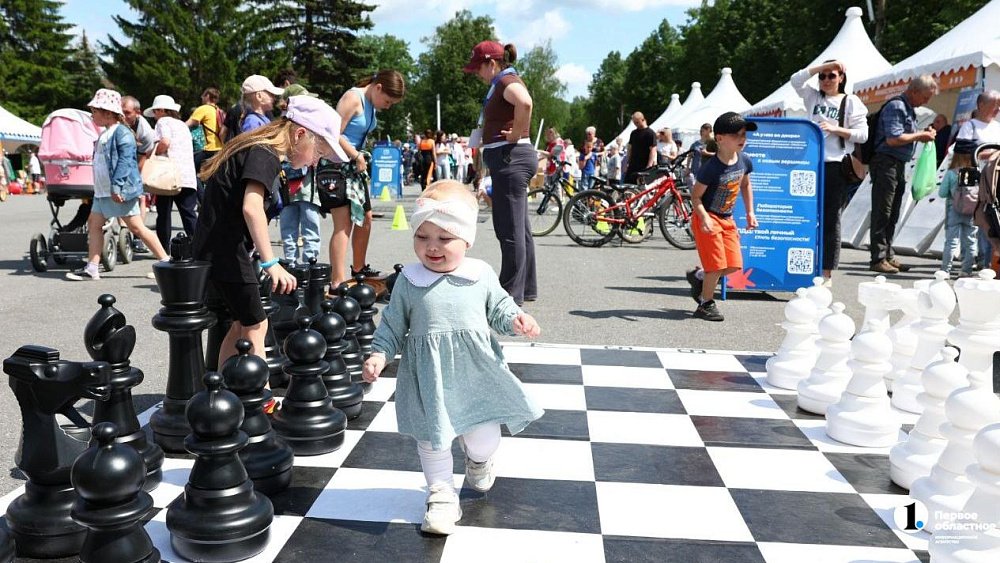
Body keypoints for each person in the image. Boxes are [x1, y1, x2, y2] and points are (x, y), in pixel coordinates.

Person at [361, 180, 543, 536]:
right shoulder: (409, 281)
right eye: (422, 237)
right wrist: (380, 354)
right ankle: (441, 495)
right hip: (427, 376)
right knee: (432, 438)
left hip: (475, 374)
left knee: (482, 437)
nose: (432, 248)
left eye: (444, 239)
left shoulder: (480, 275)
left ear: (466, 239)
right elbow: (393, 325)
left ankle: (479, 459)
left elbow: (500, 308)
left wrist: (516, 319)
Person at [192, 95, 348, 368]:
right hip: (229, 252)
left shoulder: (258, 149)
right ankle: (258, 399)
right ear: (300, 134)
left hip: (219, 249)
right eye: (319, 152)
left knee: (241, 323)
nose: (315, 162)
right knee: (257, 325)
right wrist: (271, 262)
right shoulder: (265, 154)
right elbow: (251, 207)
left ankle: (224, 389)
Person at [463, 40, 537, 305]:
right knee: (519, 228)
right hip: (510, 158)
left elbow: (525, 103)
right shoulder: (503, 82)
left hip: (511, 158)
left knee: (509, 228)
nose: (477, 75)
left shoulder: (506, 82)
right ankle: (525, 287)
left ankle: (509, 294)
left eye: (478, 69)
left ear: (491, 64)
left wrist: (516, 133)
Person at [67, 89, 168, 281]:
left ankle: (165, 262)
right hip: (103, 191)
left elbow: (126, 162)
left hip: (117, 190)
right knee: (94, 224)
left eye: (95, 111)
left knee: (137, 228)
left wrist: (117, 186)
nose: (92, 114)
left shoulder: (121, 132)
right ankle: (92, 267)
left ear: (108, 113)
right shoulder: (106, 134)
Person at [790, 60, 869, 284]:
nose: (826, 80)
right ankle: (806, 265)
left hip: (836, 165)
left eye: (831, 75)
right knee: (807, 216)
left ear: (841, 78)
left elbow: (862, 135)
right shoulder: (813, 96)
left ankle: (826, 272)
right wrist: (821, 66)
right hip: (810, 164)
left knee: (831, 218)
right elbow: (795, 79)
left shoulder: (850, 100)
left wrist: (835, 129)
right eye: (822, 76)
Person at [326, 70, 405, 286]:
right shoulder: (353, 98)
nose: (388, 107)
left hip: (353, 167)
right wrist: (355, 155)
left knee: (366, 218)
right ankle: (337, 282)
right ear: (378, 87)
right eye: (388, 101)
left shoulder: (370, 103)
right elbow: (332, 133)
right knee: (343, 225)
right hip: (335, 166)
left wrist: (357, 158)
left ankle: (359, 269)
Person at [685, 112, 758, 322]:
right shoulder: (711, 168)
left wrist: (750, 212)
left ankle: (699, 277)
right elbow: (696, 197)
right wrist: (705, 218)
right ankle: (705, 304)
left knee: (734, 265)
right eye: (736, 135)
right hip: (708, 218)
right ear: (720, 139)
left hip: (727, 219)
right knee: (716, 266)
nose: (742, 139)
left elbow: (745, 184)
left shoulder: (744, 161)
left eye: (744, 134)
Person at [869, 75, 938, 274]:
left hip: (896, 164)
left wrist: (920, 133)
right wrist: (920, 136)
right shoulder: (897, 107)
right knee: (883, 211)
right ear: (914, 91)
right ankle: (878, 258)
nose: (926, 101)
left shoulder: (908, 108)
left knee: (893, 211)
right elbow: (893, 138)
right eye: (925, 97)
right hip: (886, 163)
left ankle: (887, 255)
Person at [954, 89, 1000, 270]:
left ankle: (991, 262)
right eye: (995, 105)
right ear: (981, 105)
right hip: (980, 182)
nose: (998, 109)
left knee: (996, 219)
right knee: (984, 219)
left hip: (997, 180)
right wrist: (989, 152)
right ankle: (984, 261)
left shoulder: (997, 126)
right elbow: (962, 150)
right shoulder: (970, 126)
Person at [144, 94, 198, 249]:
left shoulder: (163, 122)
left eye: (155, 112)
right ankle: (198, 248)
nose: (154, 116)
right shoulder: (182, 125)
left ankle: (163, 249)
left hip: (167, 175)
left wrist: (153, 153)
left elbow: (165, 142)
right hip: (187, 176)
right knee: (188, 214)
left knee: (164, 214)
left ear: (161, 110)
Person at [121, 95, 157, 253]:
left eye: (127, 113)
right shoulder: (116, 123)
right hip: (122, 160)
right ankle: (125, 229)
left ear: (138, 113)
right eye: (121, 112)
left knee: (140, 195)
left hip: (142, 159)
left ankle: (138, 237)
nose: (123, 116)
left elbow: (143, 157)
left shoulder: (145, 132)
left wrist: (133, 180)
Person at [938, 151, 978, 277]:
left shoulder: (952, 173)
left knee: (951, 242)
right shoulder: (977, 173)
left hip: (953, 209)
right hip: (972, 210)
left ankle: (945, 270)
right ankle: (967, 270)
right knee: (971, 241)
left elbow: (942, 193)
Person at [186, 87, 225, 197]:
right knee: (212, 177)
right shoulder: (218, 110)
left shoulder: (203, 108)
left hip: (208, 148)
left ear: (207, 96)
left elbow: (187, 125)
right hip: (220, 148)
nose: (201, 97)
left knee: (190, 172)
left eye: (203, 95)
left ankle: (203, 201)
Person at [624, 112, 656, 184]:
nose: (636, 124)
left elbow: (653, 150)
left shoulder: (650, 133)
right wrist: (627, 162)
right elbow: (630, 149)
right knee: (627, 186)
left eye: (637, 122)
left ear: (643, 119)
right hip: (633, 165)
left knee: (641, 189)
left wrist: (649, 165)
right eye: (634, 123)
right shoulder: (633, 133)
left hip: (644, 166)